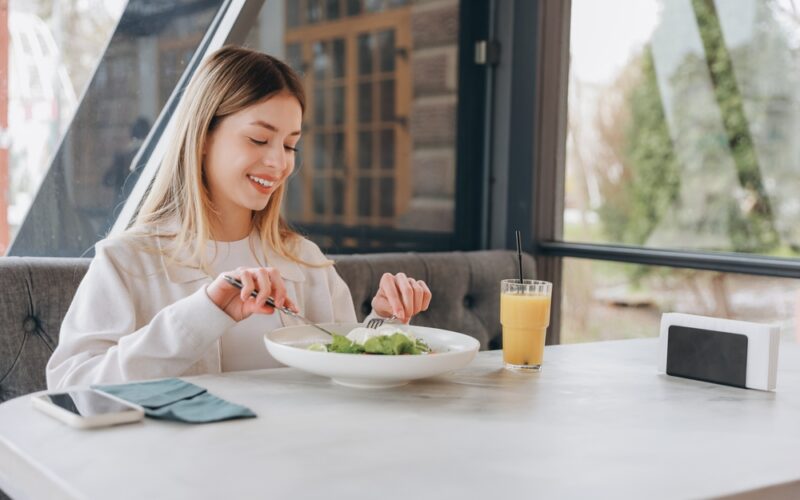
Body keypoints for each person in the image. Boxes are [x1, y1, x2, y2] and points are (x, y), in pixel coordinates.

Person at [46, 46, 431, 389]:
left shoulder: (307, 261)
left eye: (290, 144)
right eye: (259, 140)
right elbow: (71, 386)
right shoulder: (125, 261)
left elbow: (342, 376)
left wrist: (383, 322)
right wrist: (206, 311)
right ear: (202, 139)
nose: (279, 162)